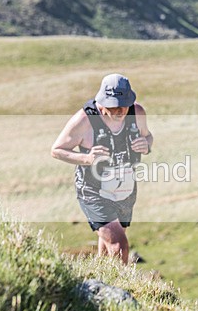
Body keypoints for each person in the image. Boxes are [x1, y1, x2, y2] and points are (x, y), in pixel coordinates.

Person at [51, 73, 153, 265]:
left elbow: (148, 137)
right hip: (93, 191)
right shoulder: (83, 120)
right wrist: (87, 158)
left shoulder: (137, 112)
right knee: (119, 245)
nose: (120, 110)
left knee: (108, 244)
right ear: (102, 101)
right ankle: (122, 289)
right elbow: (56, 150)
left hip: (125, 189)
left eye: (124, 104)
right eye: (113, 105)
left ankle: (102, 282)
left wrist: (146, 144)